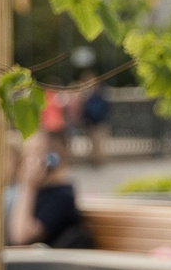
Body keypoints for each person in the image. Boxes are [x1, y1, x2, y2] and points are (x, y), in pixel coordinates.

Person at [11, 110, 94, 248]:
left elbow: (21, 236)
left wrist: (27, 186)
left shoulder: (61, 196)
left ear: (52, 159)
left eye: (36, 153)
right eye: (27, 153)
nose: (28, 161)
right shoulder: (38, 191)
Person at [74, 71, 111, 168]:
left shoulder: (99, 93)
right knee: (92, 143)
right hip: (90, 122)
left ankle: (97, 162)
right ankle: (94, 162)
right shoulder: (86, 94)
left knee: (98, 143)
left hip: (98, 121)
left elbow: (105, 107)